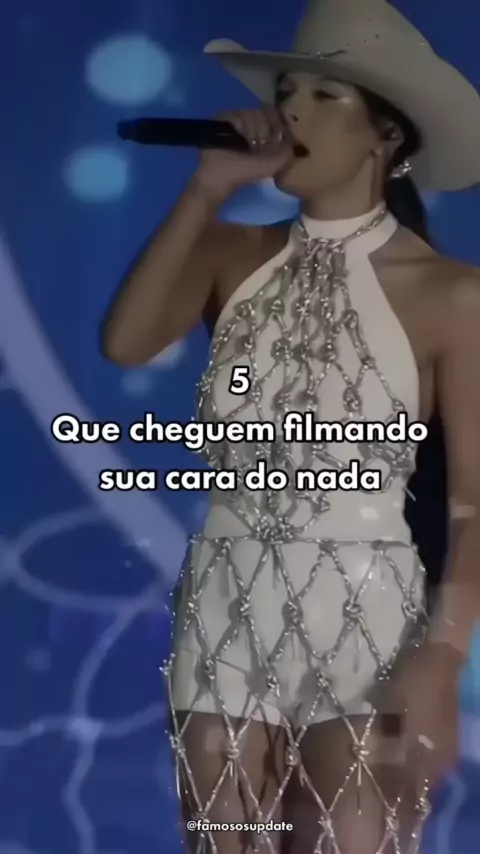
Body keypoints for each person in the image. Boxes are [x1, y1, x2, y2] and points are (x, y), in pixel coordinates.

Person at [102, 0, 480, 851]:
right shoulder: (227, 254)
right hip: (226, 598)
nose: (292, 112)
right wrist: (207, 189)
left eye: (324, 96)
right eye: (285, 93)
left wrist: (446, 656)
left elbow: (473, 505)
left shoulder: (454, 294)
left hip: (370, 613)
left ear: (388, 135)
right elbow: (126, 343)